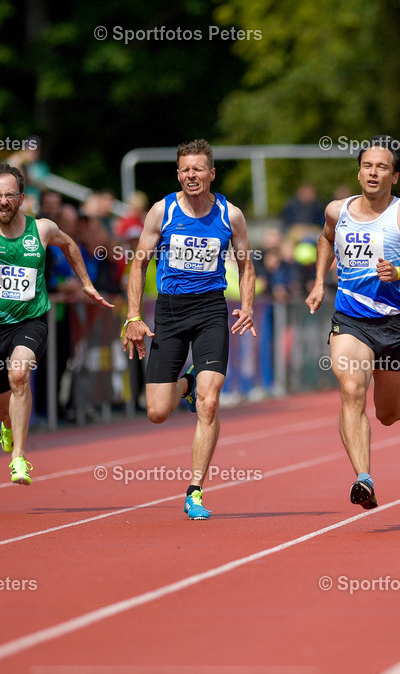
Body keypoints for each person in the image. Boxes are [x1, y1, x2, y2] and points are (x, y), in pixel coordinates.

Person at [0, 163, 112, 485]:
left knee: (20, 374)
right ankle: (7, 424)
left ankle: (19, 458)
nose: (4, 201)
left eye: (10, 195)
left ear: (22, 197)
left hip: (31, 320)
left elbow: (69, 244)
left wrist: (86, 283)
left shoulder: (43, 229)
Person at [306, 135, 400, 509]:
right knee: (351, 390)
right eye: (367, 165)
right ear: (359, 170)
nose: (373, 172)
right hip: (350, 320)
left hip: (395, 325)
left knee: (388, 414)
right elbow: (325, 239)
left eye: (382, 167)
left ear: (395, 176)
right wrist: (320, 282)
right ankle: (363, 478)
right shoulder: (338, 209)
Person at [123, 139, 256, 520]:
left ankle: (194, 490)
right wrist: (133, 316)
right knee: (157, 411)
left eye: (199, 169)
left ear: (212, 173)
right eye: (185, 170)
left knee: (209, 403)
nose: (191, 175)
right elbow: (138, 263)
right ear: (178, 174)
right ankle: (188, 383)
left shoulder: (231, 215)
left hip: (211, 309)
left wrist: (246, 306)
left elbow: (246, 265)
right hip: (169, 310)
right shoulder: (161, 211)